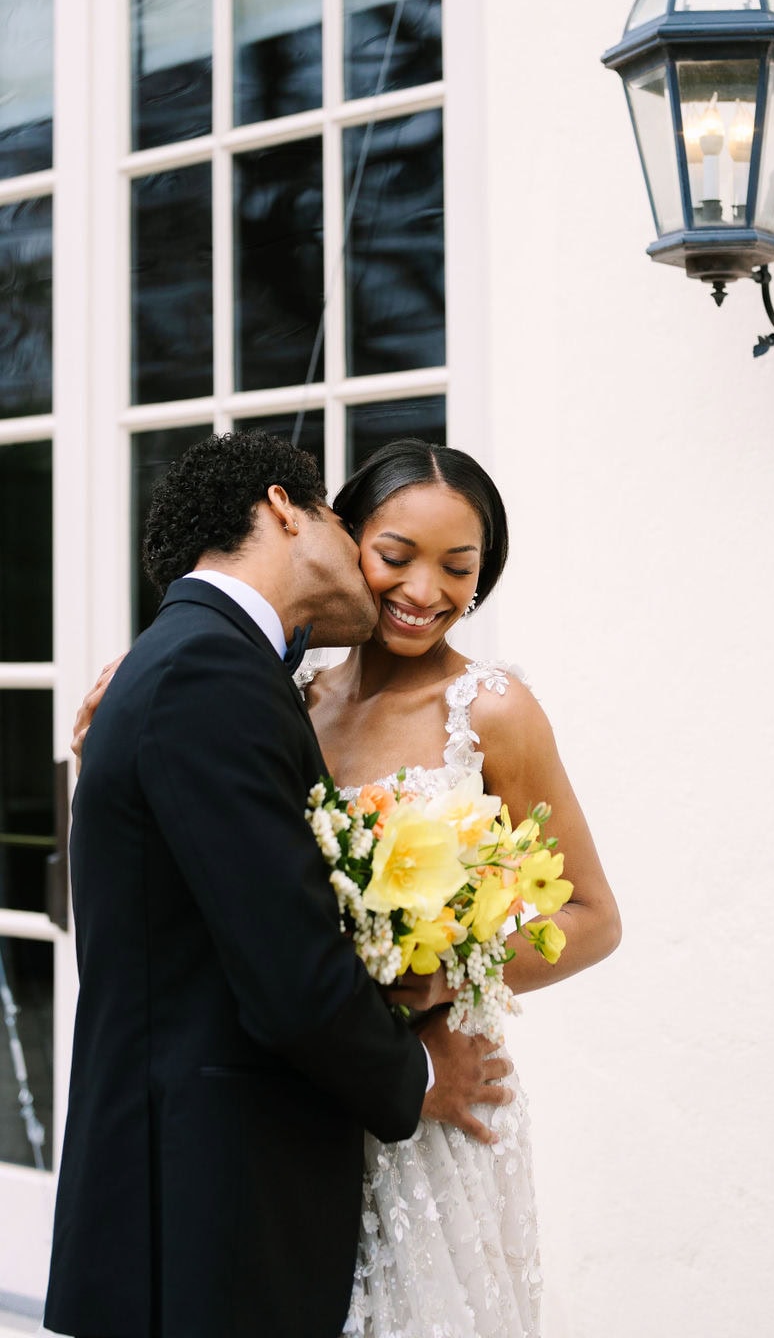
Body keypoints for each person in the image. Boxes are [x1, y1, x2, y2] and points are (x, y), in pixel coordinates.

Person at [45, 431, 511, 1338]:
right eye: (361, 532)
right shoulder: (209, 671)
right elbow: (288, 973)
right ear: (285, 508)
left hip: (213, 1184)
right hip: (211, 1196)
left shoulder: (200, 662)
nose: (412, 590)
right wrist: (417, 1072)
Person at [306, 438, 621, 1337]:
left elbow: (593, 918)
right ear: (346, 539)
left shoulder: (490, 712)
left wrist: (447, 978)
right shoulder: (290, 699)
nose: (423, 592)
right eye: (396, 556)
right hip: (307, 1091)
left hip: (440, 1106)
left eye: (458, 568)